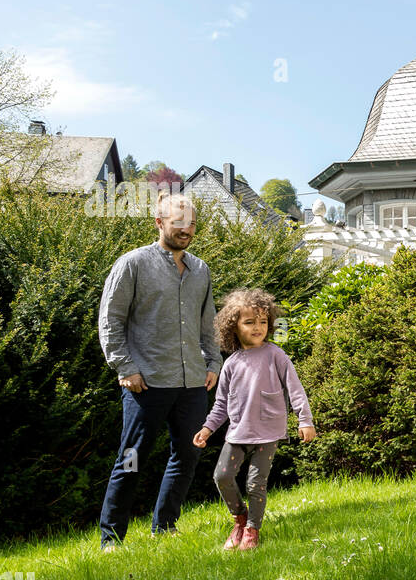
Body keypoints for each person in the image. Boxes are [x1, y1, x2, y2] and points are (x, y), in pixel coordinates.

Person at [97, 191, 220, 551]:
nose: (186, 229)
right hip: (145, 383)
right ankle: (111, 538)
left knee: (188, 454)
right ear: (159, 222)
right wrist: (125, 366)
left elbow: (208, 322)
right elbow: (111, 320)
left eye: (192, 223)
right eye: (178, 222)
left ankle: (164, 526)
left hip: (192, 382)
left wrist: (213, 362)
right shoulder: (132, 264)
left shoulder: (200, 269)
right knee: (131, 460)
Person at [193, 288, 316, 550]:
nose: (257, 327)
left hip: (268, 432)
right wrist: (206, 429)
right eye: (249, 322)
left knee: (255, 483)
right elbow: (221, 405)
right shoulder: (231, 364)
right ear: (233, 327)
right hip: (238, 432)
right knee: (222, 476)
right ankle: (240, 519)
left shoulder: (276, 356)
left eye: (262, 322)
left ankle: (252, 530)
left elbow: (295, 390)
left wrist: (305, 420)